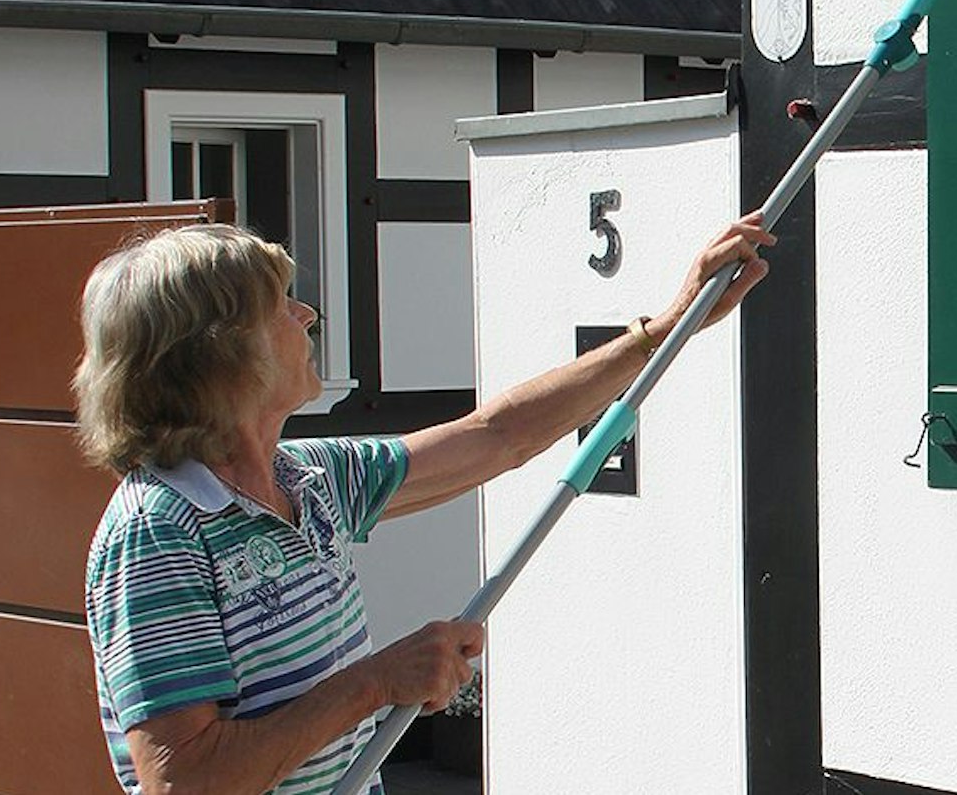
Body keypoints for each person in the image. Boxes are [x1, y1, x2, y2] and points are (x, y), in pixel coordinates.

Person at [75, 217, 772, 794]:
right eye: (280, 306)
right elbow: (183, 783)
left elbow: (498, 436)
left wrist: (670, 326)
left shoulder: (307, 482)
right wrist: (376, 682)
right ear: (220, 355)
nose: (307, 315)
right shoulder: (158, 533)